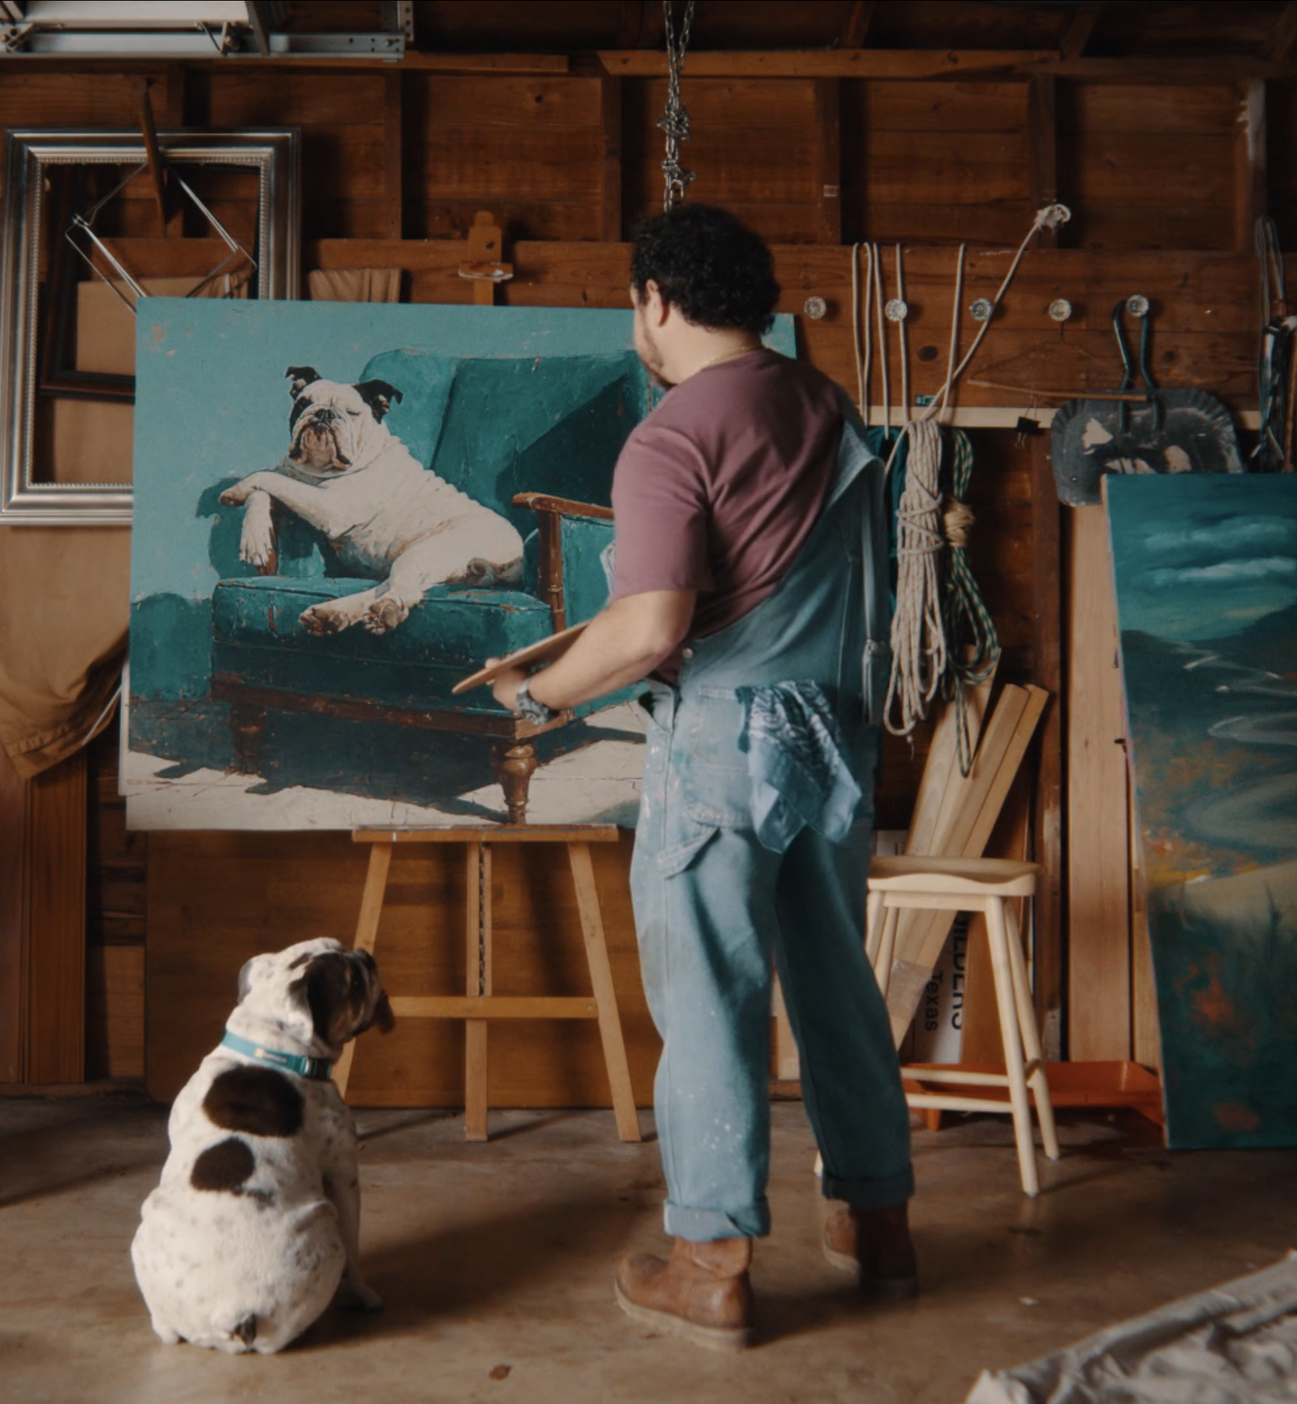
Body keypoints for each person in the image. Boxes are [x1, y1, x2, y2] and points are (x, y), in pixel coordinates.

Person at [484, 203, 917, 1351]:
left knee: (709, 1003)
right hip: (835, 733)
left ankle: (710, 1267)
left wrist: (536, 694)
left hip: (722, 746)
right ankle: (879, 1228)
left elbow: (647, 630)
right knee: (835, 985)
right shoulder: (823, 404)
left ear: (653, 302)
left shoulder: (671, 434)